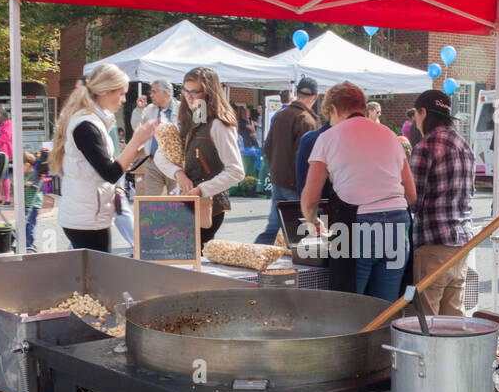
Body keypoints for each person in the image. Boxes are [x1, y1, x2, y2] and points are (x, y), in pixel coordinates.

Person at [302, 82, 416, 301]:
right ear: (364, 108)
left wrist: (312, 221)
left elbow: (310, 198)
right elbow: (410, 194)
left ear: (333, 109)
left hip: (357, 224)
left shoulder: (327, 138)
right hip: (398, 222)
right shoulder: (390, 136)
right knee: (385, 309)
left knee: (349, 307)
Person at [49, 63, 150, 252]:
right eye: (121, 94)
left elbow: (104, 167)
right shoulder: (86, 125)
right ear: (105, 92)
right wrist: (136, 141)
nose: (123, 100)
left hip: (88, 214)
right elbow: (109, 172)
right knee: (93, 276)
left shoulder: (91, 121)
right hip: (86, 218)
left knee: (89, 273)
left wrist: (135, 150)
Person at [156, 66, 244, 246]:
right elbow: (160, 155)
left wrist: (201, 189)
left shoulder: (219, 124)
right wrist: (178, 173)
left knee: (191, 257)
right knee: (183, 257)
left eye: (195, 92)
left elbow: (236, 171)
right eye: (185, 91)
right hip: (188, 200)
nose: (188, 97)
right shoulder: (187, 119)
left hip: (209, 205)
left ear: (209, 93)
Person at [408, 89, 474, 316]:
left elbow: (413, 199)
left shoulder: (425, 146)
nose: (415, 121)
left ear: (423, 112)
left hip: (433, 242)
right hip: (461, 241)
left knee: (426, 319)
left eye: (415, 115)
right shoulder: (463, 144)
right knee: (454, 318)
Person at [257, 76, 318, 243]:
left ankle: (256, 256)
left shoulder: (280, 115)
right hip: (296, 185)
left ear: (296, 93)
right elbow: (307, 160)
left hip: (279, 180)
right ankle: (299, 267)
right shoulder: (307, 120)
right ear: (316, 96)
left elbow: (267, 148)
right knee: (299, 233)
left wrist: (276, 169)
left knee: (273, 228)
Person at [135, 79, 177, 196]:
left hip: (175, 164)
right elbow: (136, 127)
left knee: (177, 204)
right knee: (151, 203)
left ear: (165, 93)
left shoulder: (181, 109)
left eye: (154, 92)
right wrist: (139, 110)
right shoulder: (149, 109)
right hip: (153, 163)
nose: (150, 95)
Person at [22, 152, 44, 250]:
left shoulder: (35, 174)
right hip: (25, 204)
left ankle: (29, 245)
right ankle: (25, 243)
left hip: (33, 205)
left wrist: (31, 185)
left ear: (27, 165)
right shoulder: (23, 175)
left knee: (29, 226)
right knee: (24, 225)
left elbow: (40, 187)